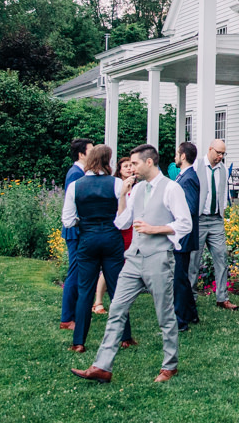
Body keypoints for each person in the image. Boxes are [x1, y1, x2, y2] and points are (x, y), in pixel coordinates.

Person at [71, 143, 193, 384]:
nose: (131, 168)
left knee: (164, 314)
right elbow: (122, 222)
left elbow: (185, 224)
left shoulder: (172, 188)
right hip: (134, 258)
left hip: (159, 258)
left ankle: (170, 366)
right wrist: (122, 197)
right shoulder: (136, 189)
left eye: (135, 163)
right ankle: (102, 367)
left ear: (149, 162)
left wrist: (155, 229)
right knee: (116, 309)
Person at [61, 144, 133, 353]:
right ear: (107, 161)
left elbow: (67, 220)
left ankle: (79, 342)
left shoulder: (76, 186)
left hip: (87, 239)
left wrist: (83, 222)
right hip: (111, 238)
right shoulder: (116, 183)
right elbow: (124, 219)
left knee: (85, 290)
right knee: (117, 289)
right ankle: (125, 337)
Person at [188, 139, 239, 311]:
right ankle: (190, 297)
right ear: (210, 149)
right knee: (194, 260)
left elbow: (223, 192)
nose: (220, 156)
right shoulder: (196, 166)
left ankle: (222, 298)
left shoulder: (223, 169)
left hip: (216, 220)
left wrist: (222, 213)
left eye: (223, 153)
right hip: (200, 220)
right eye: (218, 153)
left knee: (221, 257)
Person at [92, 156, 136, 315]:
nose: (129, 168)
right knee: (111, 265)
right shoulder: (116, 186)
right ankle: (98, 301)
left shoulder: (137, 187)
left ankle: (121, 298)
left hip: (132, 229)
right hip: (118, 229)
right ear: (120, 170)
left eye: (131, 165)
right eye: (126, 166)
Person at [60, 137, 93, 331]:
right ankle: (67, 318)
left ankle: (74, 313)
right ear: (81, 154)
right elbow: (74, 203)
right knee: (75, 272)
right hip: (75, 230)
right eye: (91, 150)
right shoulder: (75, 174)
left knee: (78, 271)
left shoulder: (80, 172)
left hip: (78, 228)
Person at [171, 144, 201, 331]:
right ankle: (191, 314)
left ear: (183, 156)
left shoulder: (189, 178)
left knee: (179, 278)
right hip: (182, 234)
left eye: (177, 154)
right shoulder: (183, 176)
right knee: (181, 277)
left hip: (183, 235)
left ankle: (180, 320)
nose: (175, 157)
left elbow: (190, 208)